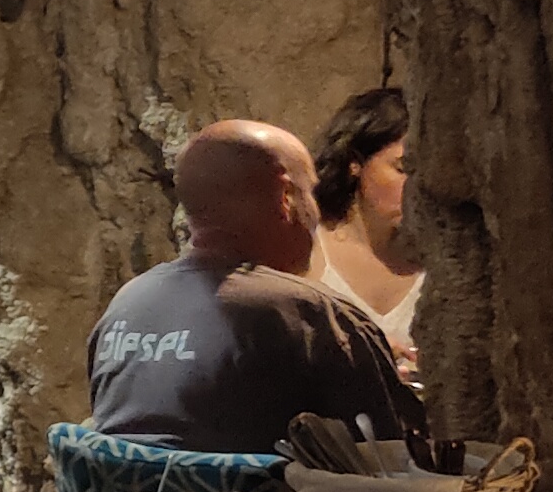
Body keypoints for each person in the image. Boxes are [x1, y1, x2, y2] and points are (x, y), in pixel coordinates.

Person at [90, 121, 424, 450]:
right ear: (285, 197)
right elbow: (388, 456)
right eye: (310, 192)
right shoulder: (313, 317)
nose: (316, 211)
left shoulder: (126, 304)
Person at [310, 86, 421, 364]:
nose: (418, 186)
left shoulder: (444, 261)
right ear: (354, 163)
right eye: (403, 168)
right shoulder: (305, 251)